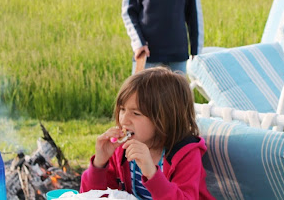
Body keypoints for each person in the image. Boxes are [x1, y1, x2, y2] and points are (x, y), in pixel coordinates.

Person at [80, 68, 214, 199]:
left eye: (136, 113)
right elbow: (92, 196)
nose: (124, 120)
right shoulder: (121, 149)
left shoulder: (185, 154)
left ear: (165, 119)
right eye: (122, 109)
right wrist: (99, 163)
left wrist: (152, 173)